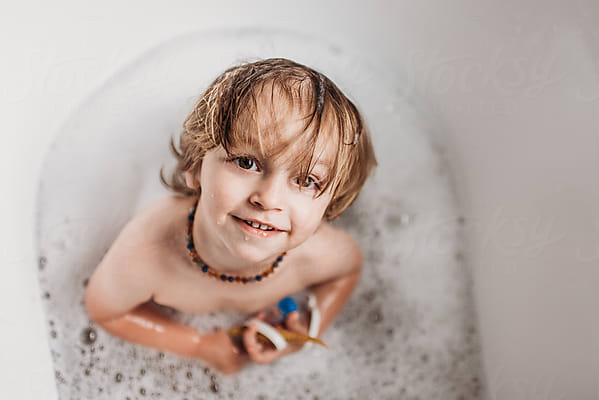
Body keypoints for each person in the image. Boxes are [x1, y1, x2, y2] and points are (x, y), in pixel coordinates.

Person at [84, 58, 377, 375]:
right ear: (195, 167)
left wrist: (308, 325)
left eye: (306, 181)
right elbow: (104, 310)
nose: (268, 199)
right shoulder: (149, 252)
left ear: (329, 207)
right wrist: (197, 345)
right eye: (247, 163)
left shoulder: (316, 254)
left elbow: (347, 271)